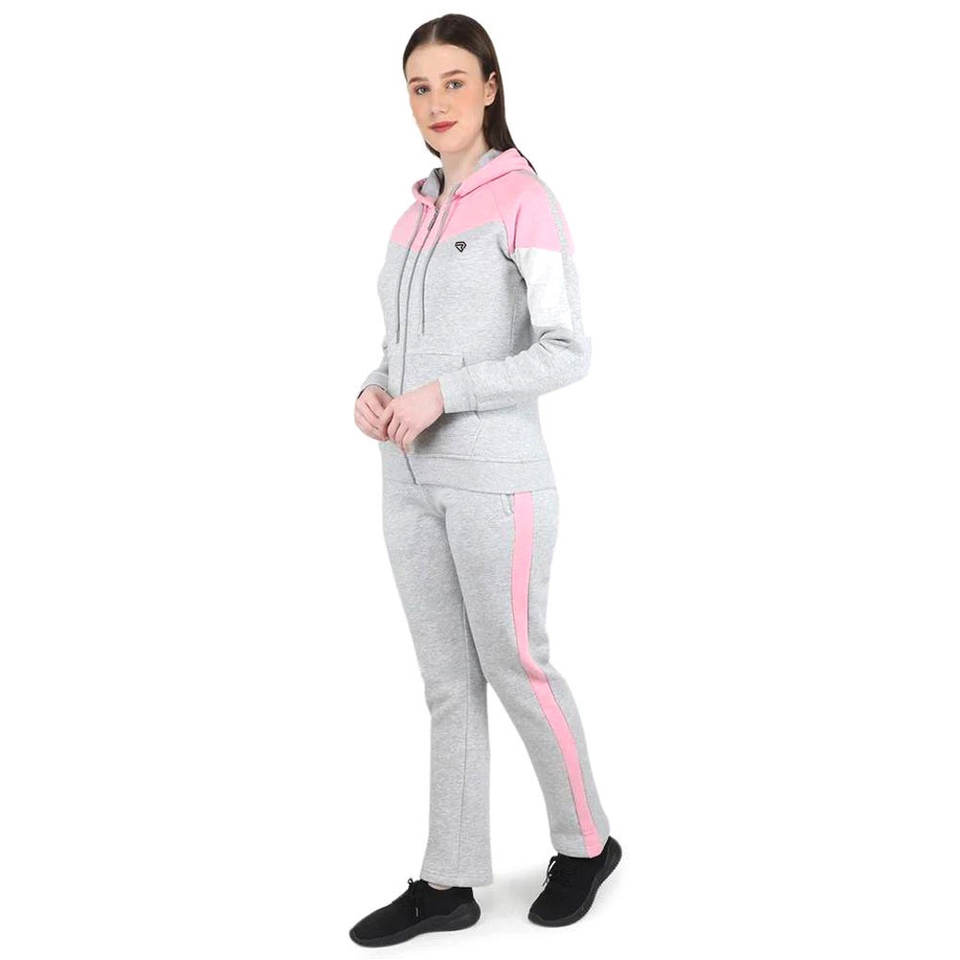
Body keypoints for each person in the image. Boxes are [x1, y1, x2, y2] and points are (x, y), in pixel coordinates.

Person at [349, 14, 620, 947]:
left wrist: (444, 393)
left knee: (516, 664)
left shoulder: (525, 200)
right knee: (446, 684)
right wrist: (375, 389)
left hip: (498, 482)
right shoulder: (411, 214)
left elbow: (567, 349)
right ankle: (449, 881)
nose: (437, 103)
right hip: (408, 481)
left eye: (454, 82)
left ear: (491, 87)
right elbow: (402, 349)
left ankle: (587, 843)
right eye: (420, 87)